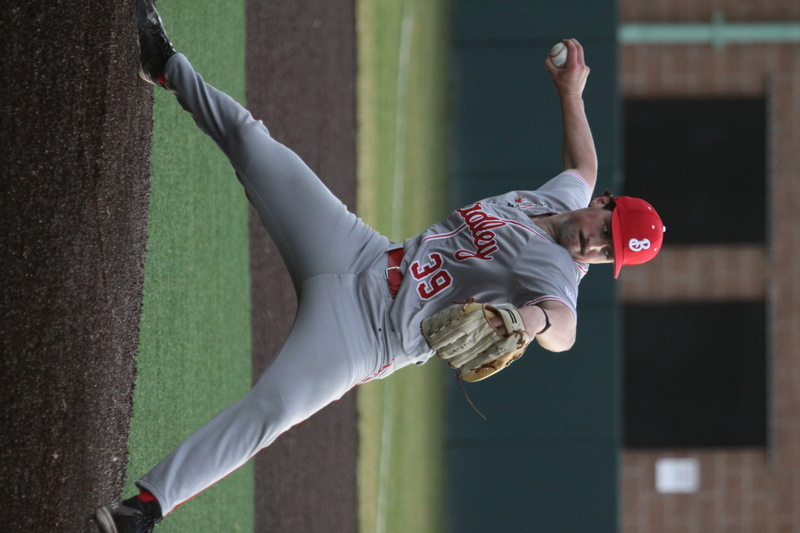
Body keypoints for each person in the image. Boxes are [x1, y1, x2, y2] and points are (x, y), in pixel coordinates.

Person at [95, 1, 665, 532]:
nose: (596, 247)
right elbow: (583, 166)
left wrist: (529, 322)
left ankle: (144, 508)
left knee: (274, 409)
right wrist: (571, 93)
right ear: (602, 205)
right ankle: (164, 63)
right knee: (253, 143)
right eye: (606, 231)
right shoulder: (561, 198)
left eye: (608, 254)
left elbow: (563, 329)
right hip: (358, 252)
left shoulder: (558, 274)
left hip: (365, 334)